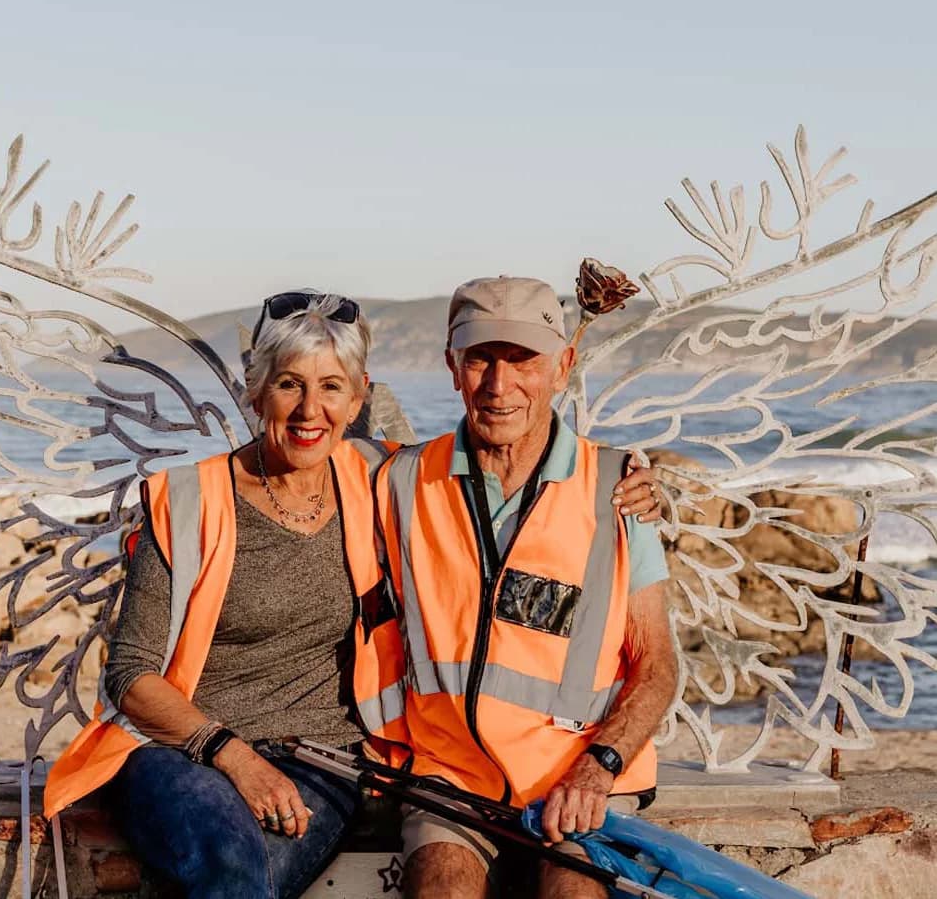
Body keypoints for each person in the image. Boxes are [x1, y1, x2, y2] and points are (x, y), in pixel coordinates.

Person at [45, 290, 663, 899]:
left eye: (331, 387)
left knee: (241, 875)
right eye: (289, 384)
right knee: (231, 865)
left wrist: (643, 486)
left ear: (359, 396)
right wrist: (233, 755)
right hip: (188, 748)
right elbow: (130, 672)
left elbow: (527, 465)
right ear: (254, 390)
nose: (310, 409)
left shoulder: (379, 478)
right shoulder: (190, 502)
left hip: (321, 761)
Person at [374, 277, 677, 899]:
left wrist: (599, 769)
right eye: (480, 358)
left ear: (563, 367)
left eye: (523, 360)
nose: (498, 384)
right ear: (451, 367)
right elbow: (297, 477)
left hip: (583, 779)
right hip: (450, 773)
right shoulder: (399, 479)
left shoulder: (618, 489)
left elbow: (659, 665)